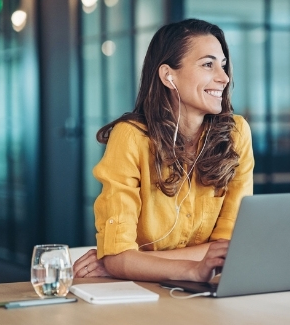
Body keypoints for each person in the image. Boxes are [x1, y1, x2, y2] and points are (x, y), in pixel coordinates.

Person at [72, 18, 254, 282]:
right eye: (208, 64)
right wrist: (191, 266)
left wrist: (130, 263)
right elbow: (118, 255)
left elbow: (228, 250)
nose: (224, 78)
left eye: (223, 66)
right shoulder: (131, 137)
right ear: (169, 75)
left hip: (205, 294)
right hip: (142, 297)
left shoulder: (237, 134)